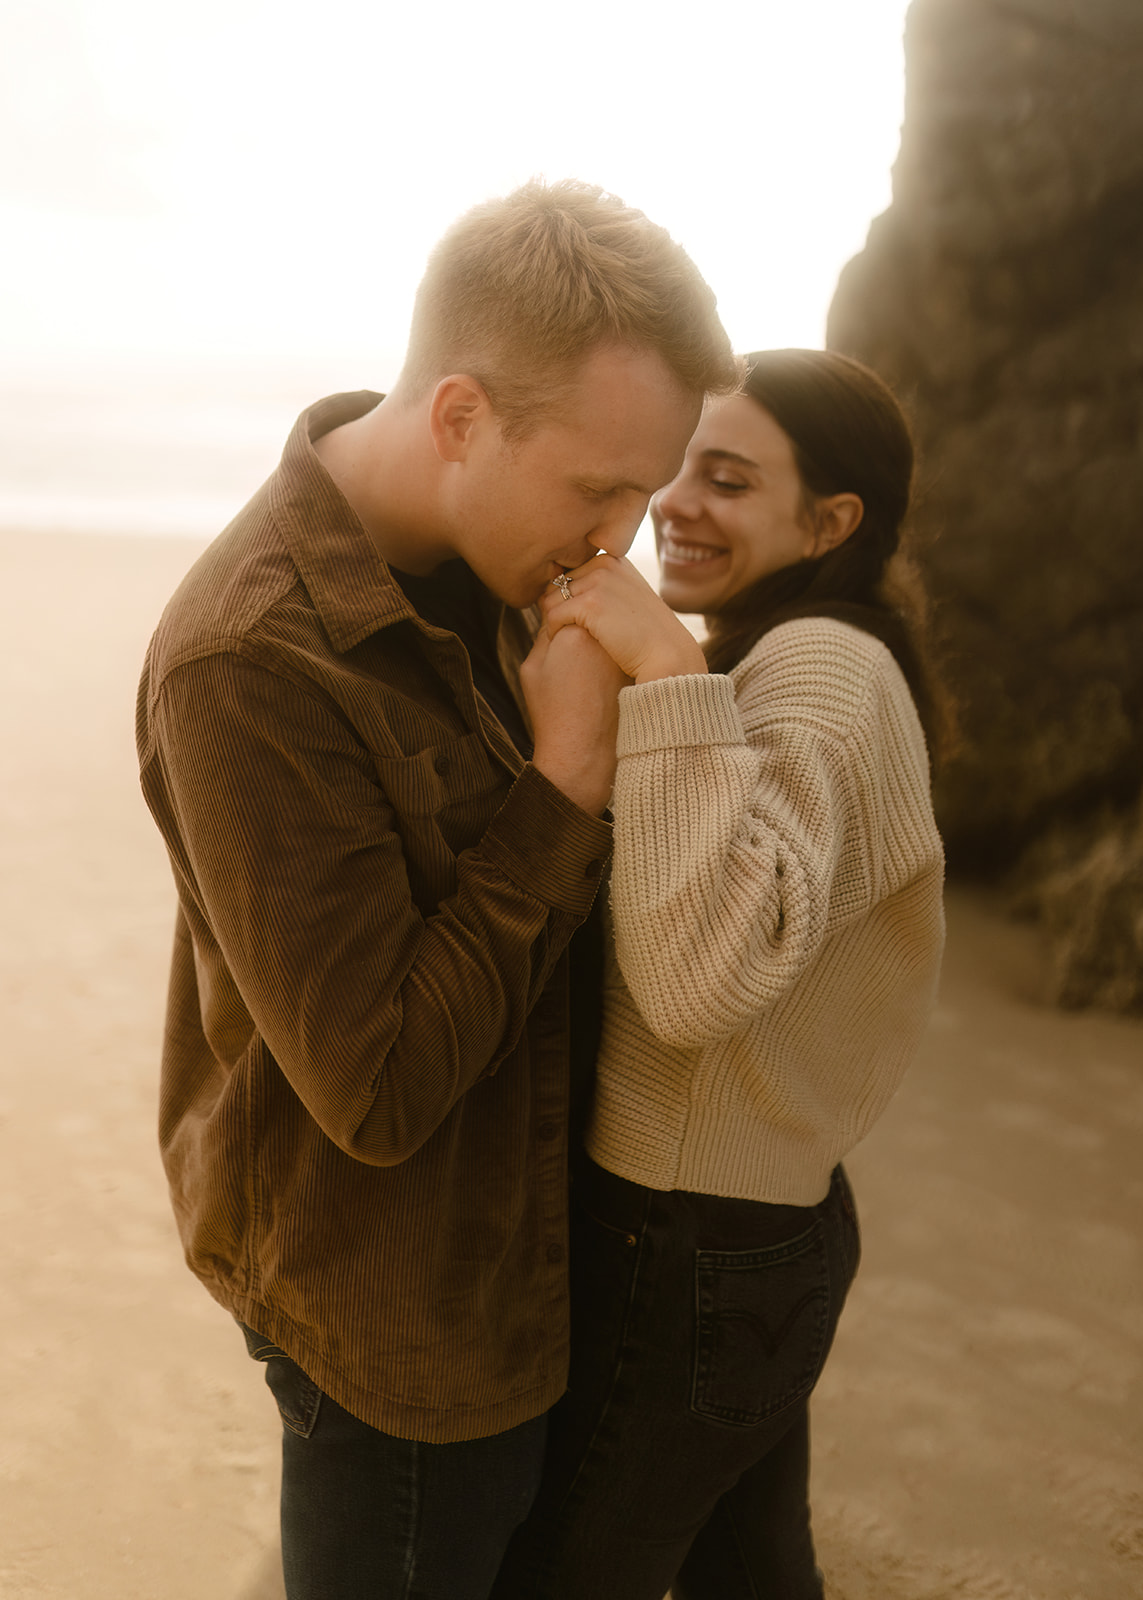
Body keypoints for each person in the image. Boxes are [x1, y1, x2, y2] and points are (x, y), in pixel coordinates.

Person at [135, 178, 739, 1600]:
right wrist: (567, 779)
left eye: (645, 494)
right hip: (398, 1328)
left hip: (544, 1264)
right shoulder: (250, 662)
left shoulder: (506, 563)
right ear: (461, 417)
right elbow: (380, 1082)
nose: (620, 544)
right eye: (599, 490)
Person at [489, 348, 947, 1600]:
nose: (679, 502)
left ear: (830, 520)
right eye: (680, 465)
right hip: (759, 1221)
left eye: (731, 480)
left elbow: (699, 981)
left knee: (568, 1571)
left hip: (682, 1234)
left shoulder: (818, 669)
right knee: (750, 1572)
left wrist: (672, 678)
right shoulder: (816, 652)